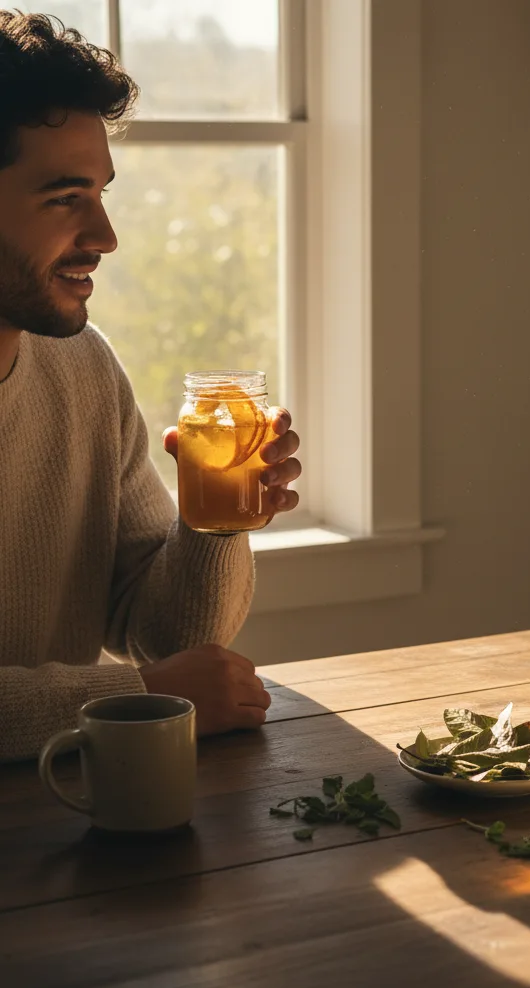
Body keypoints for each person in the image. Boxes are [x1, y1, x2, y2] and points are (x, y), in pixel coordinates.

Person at [0, 12, 303, 761]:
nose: (105, 236)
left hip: (82, 820)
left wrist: (214, 519)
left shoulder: (84, 369)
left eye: (102, 193)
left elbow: (167, 636)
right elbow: (161, 675)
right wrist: (134, 699)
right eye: (66, 197)